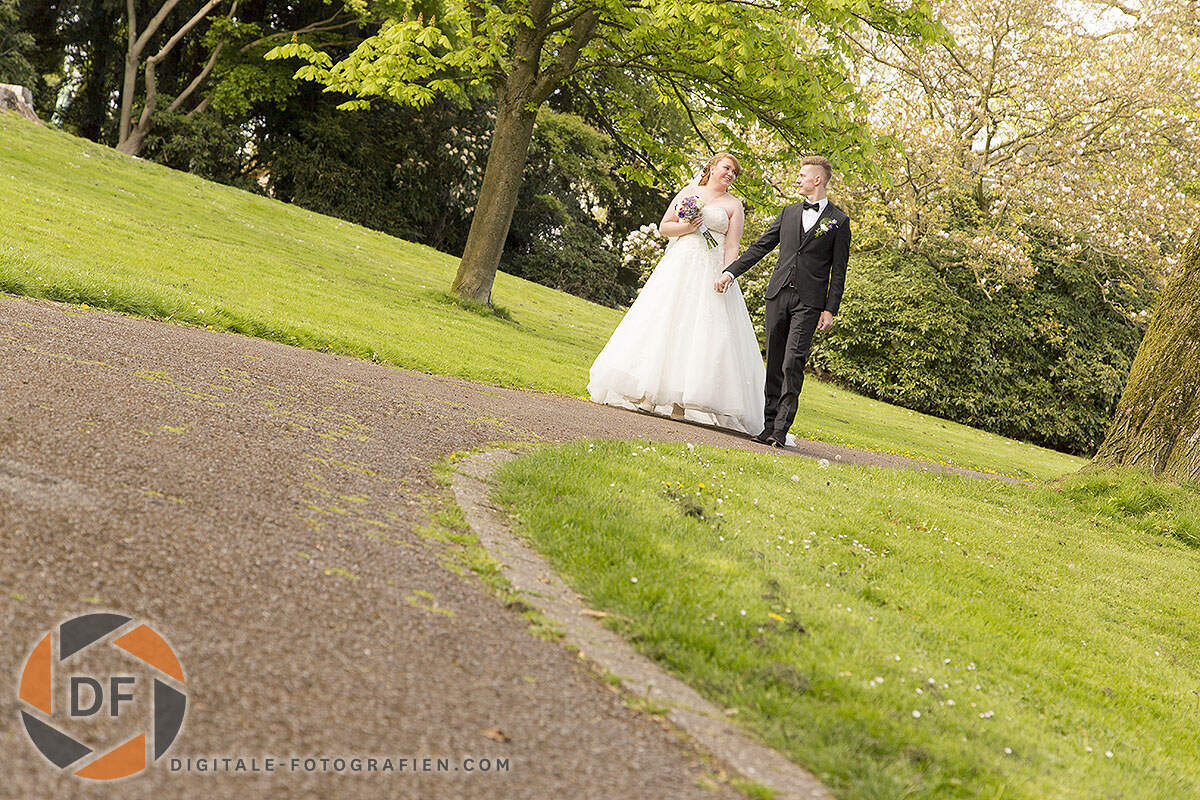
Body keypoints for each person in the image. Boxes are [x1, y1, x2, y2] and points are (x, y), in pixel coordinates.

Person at [588, 153, 766, 435]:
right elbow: (665, 227)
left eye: (735, 172)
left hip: (710, 270)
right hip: (680, 265)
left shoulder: (734, 205)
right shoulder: (690, 192)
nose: (731, 174)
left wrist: (728, 274)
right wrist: (688, 226)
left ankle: (680, 402)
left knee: (700, 331)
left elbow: (732, 246)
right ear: (712, 168)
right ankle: (650, 395)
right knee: (666, 324)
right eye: (727, 168)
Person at [715, 155, 851, 447]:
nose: (798, 179)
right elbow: (760, 247)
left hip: (809, 302)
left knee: (793, 362)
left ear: (817, 179)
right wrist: (731, 272)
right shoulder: (788, 213)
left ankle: (780, 430)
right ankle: (767, 426)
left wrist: (830, 309)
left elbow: (838, 270)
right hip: (777, 295)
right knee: (775, 361)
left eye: (803, 175)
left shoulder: (839, 222)